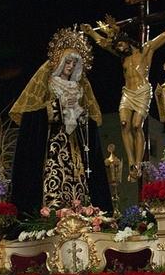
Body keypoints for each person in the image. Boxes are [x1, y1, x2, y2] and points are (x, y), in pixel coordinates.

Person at [83, 0, 165, 181]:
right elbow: (103, 43)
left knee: (137, 125)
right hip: (127, 92)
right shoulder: (122, 57)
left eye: (120, 45)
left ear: (126, 40)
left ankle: (138, 163)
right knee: (124, 124)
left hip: (142, 91)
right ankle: (131, 162)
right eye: (117, 48)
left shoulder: (146, 50)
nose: (118, 49)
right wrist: (91, 32)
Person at [9, 27, 112, 217]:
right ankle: (51, 213)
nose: (70, 66)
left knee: (78, 176)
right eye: (68, 61)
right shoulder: (49, 82)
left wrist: (79, 112)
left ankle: (81, 210)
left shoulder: (80, 87)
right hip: (54, 143)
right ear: (60, 61)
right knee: (54, 173)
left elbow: (89, 119)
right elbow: (33, 114)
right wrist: (59, 106)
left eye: (74, 63)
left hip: (75, 144)